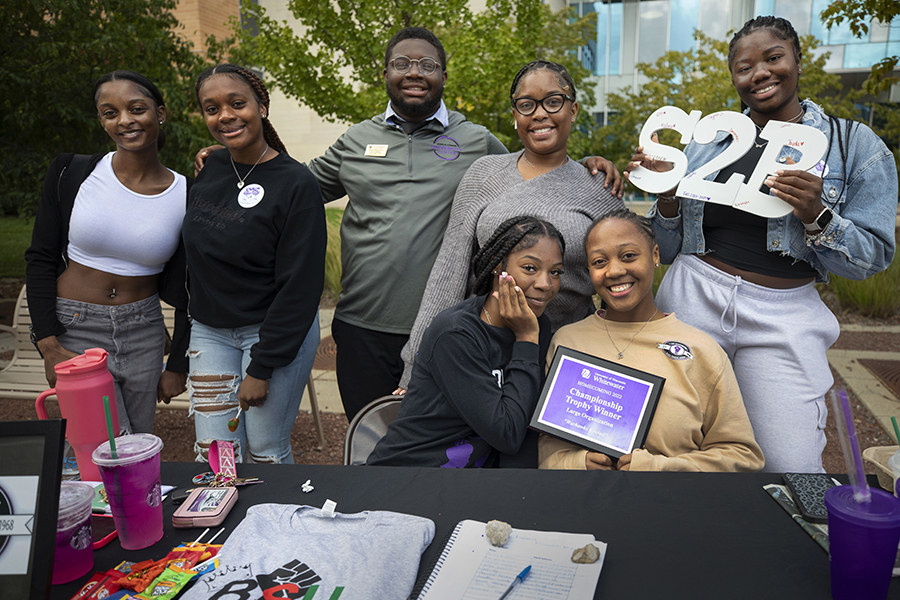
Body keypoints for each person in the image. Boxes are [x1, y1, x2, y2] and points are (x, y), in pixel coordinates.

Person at [195, 28, 622, 423]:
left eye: (427, 65)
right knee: (369, 437)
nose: (414, 72)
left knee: (435, 445)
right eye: (402, 63)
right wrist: (236, 158)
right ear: (385, 73)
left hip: (450, 326)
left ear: (444, 76)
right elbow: (290, 190)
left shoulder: (476, 142)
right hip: (364, 323)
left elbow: (534, 165)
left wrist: (588, 166)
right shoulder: (357, 139)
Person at [627, 16, 897, 473]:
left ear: (796, 59)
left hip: (784, 315)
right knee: (670, 450)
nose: (761, 74)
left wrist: (818, 216)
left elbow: (872, 258)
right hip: (694, 295)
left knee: (790, 465)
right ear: (734, 77)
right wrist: (667, 198)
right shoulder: (709, 142)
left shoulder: (854, 145)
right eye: (744, 67)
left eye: (773, 58)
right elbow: (666, 252)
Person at [399, 60, 625, 393]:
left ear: (573, 110)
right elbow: (448, 272)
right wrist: (416, 368)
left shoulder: (599, 188)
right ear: (515, 114)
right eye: (526, 104)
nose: (540, 114)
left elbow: (625, 271)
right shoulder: (483, 174)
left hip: (565, 352)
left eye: (553, 101)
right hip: (480, 349)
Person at [25, 70, 190, 434]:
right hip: (75, 329)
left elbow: (192, 287)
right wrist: (48, 343)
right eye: (110, 112)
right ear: (102, 121)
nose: (125, 121)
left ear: (159, 114)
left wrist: (178, 361)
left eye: (136, 108)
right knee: (99, 445)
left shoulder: (187, 192)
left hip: (143, 331)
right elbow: (39, 257)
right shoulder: (71, 172)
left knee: (137, 443)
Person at [538, 210, 764, 472]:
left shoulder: (702, 350)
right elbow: (547, 447)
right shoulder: (567, 342)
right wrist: (576, 463)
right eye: (599, 262)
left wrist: (660, 468)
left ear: (655, 255)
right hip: (585, 502)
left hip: (671, 504)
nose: (615, 270)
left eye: (629, 256)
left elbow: (742, 455)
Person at [184, 64, 326, 464]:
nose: (225, 115)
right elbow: (195, 265)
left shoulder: (297, 184)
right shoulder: (209, 169)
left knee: (265, 450)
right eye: (211, 108)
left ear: (261, 107)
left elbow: (301, 285)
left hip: (274, 332)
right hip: (211, 333)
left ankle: (274, 526)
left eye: (236, 103)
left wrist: (261, 367)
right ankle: (224, 527)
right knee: (217, 454)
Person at [368, 216, 564, 468]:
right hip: (412, 470)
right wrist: (526, 339)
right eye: (529, 268)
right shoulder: (457, 333)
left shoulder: (537, 325)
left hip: (472, 482)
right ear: (497, 265)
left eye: (555, 272)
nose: (545, 284)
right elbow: (507, 434)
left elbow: (524, 422)